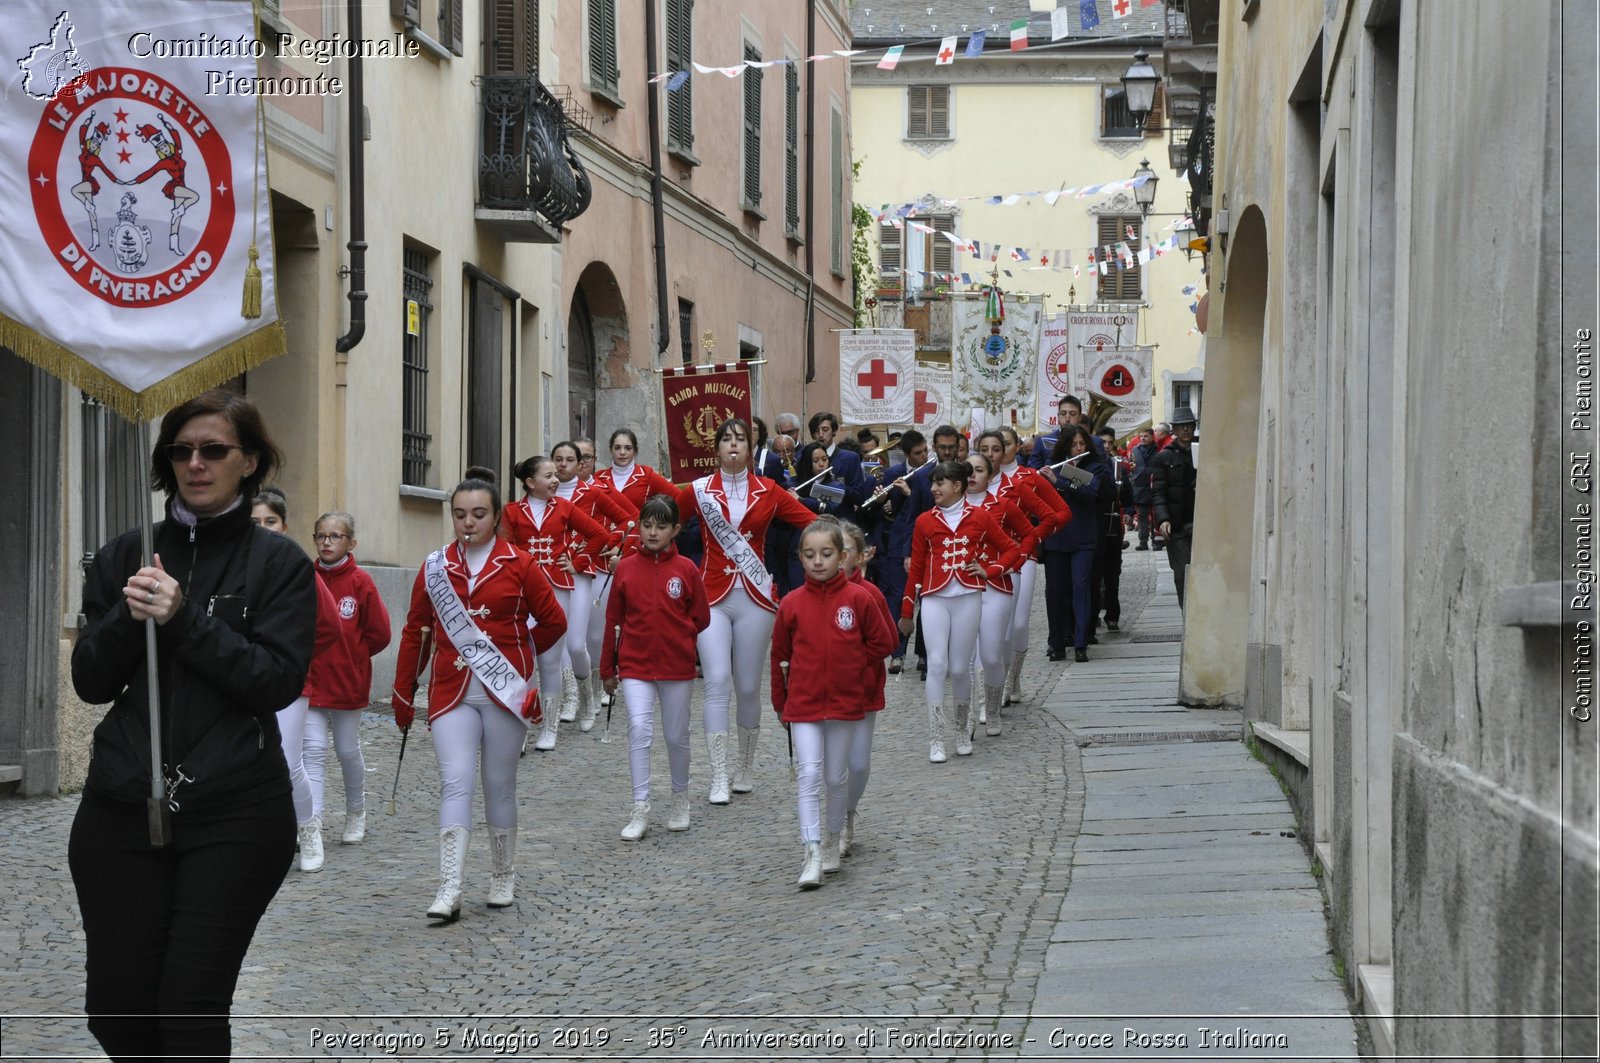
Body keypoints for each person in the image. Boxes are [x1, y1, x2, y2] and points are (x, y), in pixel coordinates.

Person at [70, 389, 317, 1060]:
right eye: (181, 450)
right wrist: (129, 615)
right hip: (121, 804)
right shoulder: (126, 551)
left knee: (188, 1012)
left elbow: (274, 680)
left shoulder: (280, 563)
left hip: (235, 810)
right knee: (117, 1015)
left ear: (251, 460)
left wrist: (184, 619)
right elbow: (90, 681)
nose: (196, 463)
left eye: (214, 450)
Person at [391, 470, 567, 923]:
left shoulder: (521, 563)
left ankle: (502, 874)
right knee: (455, 781)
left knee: (498, 785)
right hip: (451, 693)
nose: (468, 523)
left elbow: (552, 623)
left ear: (495, 517)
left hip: (504, 692)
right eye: (459, 514)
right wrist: (403, 690)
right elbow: (416, 631)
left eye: (478, 514)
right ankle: (449, 885)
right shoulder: (435, 566)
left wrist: (520, 662)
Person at [677, 417, 817, 802]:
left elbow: (810, 522)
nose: (733, 445)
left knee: (748, 685)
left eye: (741, 438)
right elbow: (664, 518)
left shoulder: (769, 490)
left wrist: (844, 545)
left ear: (752, 446)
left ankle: (745, 765)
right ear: (716, 448)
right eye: (726, 439)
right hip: (712, 596)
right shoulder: (699, 490)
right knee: (717, 681)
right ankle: (718, 774)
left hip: (756, 596)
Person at [771, 519, 898, 888]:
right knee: (809, 774)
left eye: (826, 554)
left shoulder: (859, 598)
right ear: (800, 558)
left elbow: (882, 643)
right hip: (804, 702)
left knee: (835, 776)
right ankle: (810, 850)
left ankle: (832, 838)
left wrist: (850, 668)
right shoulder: (791, 604)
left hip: (844, 702)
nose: (818, 562)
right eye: (809, 555)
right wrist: (781, 701)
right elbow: (779, 655)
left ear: (843, 557)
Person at [600, 495, 711, 840]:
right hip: (634, 664)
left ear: (675, 530)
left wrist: (682, 637)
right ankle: (640, 806)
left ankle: (680, 799)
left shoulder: (687, 570)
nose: (651, 532)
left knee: (676, 735)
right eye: (646, 525)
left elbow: (701, 616)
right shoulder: (626, 569)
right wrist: (608, 669)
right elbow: (612, 620)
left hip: (676, 666)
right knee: (638, 729)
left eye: (660, 527)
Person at [899, 461, 1023, 763]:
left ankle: (960, 731)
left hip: (968, 597)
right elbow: (915, 568)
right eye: (932, 484)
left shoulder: (980, 517)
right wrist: (905, 611)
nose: (933, 489)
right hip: (934, 598)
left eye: (940, 483)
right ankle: (936, 738)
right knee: (937, 664)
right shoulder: (924, 521)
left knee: (958, 668)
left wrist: (990, 570)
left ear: (957, 486)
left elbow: (1012, 549)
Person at [248, 486, 340, 873]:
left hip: (288, 682)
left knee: (288, 760)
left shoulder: (297, 568)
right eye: (256, 523)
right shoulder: (235, 566)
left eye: (271, 521)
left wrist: (295, 658)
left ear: (284, 527)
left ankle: (308, 829)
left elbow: (330, 625)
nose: (264, 528)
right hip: (242, 678)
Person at [503, 452, 620, 750]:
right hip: (522, 590)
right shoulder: (512, 512)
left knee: (550, 659)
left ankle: (550, 728)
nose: (556, 480)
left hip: (557, 587)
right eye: (549, 476)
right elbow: (504, 550)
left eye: (556, 474)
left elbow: (600, 535)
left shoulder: (565, 507)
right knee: (523, 660)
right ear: (530, 483)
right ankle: (521, 727)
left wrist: (578, 562)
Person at [301, 510, 391, 859]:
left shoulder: (360, 582)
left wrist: (354, 656)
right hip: (310, 682)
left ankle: (357, 811)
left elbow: (380, 633)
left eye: (335, 536)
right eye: (321, 536)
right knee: (313, 754)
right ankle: (313, 824)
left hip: (347, 684)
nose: (327, 542)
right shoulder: (305, 577)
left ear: (350, 542)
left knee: (347, 750)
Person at [548, 440, 635, 729]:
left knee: (594, 637)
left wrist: (611, 545)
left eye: (570, 459)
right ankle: (572, 696)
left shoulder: (594, 492)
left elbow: (629, 520)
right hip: (556, 572)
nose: (563, 465)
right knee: (563, 638)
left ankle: (598, 685)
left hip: (592, 569)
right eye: (557, 459)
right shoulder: (545, 496)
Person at [984, 428, 1070, 705]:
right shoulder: (973, 479)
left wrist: (1035, 536)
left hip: (1022, 556)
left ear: (1015, 447)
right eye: (987, 449)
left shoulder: (1028, 478)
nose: (994, 454)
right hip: (986, 559)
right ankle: (995, 688)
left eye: (1003, 446)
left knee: (1018, 623)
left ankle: (1013, 678)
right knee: (995, 626)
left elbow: (1061, 512)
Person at [965, 452, 1040, 738]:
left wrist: (1008, 564)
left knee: (991, 656)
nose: (972, 475)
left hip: (996, 585)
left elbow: (1029, 536)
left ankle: (993, 706)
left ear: (989, 475)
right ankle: (973, 712)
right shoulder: (949, 509)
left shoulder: (1003, 505)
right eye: (968, 470)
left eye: (979, 470)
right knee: (966, 657)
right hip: (962, 587)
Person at [837, 520, 894, 860]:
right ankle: (832, 822)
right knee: (829, 764)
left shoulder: (870, 594)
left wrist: (853, 662)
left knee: (857, 763)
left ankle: (848, 810)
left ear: (859, 558)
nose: (838, 558)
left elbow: (885, 641)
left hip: (862, 691)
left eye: (845, 551)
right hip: (825, 695)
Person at [1041, 425, 1112, 662]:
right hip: (1057, 537)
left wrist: (1061, 480)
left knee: (1081, 587)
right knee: (1055, 591)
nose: (1078, 448)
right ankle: (1057, 642)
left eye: (1082, 444)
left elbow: (1090, 493)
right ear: (1065, 446)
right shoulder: (1055, 465)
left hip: (1083, 538)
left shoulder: (1095, 467)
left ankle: (1081, 643)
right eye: (1073, 445)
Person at [1151, 406, 1200, 607]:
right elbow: (1158, 492)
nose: (1186, 430)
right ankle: (1186, 615)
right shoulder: (1164, 456)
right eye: (1181, 426)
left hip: (1199, 522)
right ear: (1175, 430)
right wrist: (1163, 519)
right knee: (1181, 574)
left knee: (1200, 573)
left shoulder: (1202, 451)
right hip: (1177, 524)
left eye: (1189, 426)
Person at [1097, 426, 1131, 631]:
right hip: (1096, 525)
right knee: (1095, 574)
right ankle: (1093, 614)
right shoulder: (1092, 466)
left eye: (1110, 443)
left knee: (1112, 573)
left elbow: (1127, 494)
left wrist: (1128, 508)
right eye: (1103, 443)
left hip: (1114, 527)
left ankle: (1112, 614)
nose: (1107, 446)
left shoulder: (1119, 466)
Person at [1130, 427, 1159, 549]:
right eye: (1141, 436)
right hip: (1140, 487)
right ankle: (1143, 541)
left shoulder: (1158, 450)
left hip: (1154, 486)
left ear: (1152, 437)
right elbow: (1131, 465)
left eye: (1145, 436)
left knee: (1155, 515)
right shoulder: (1134, 450)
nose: (1142, 438)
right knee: (1142, 515)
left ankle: (1156, 540)